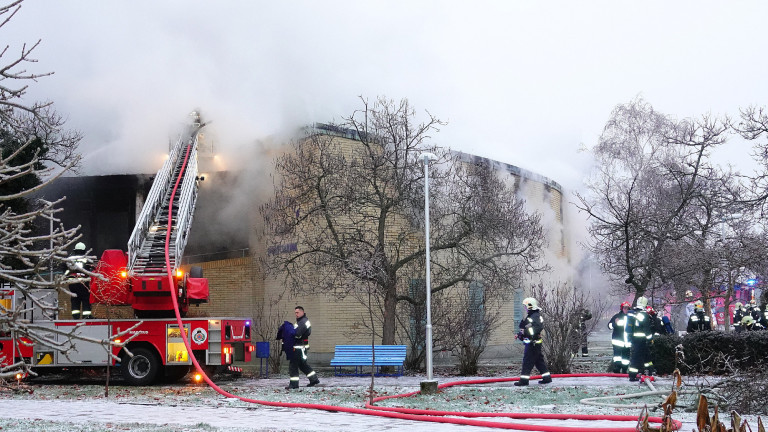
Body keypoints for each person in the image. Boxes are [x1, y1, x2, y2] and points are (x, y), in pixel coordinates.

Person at [514, 297, 552, 386]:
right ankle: (547, 378)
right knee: (539, 361)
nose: (525, 308)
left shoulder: (534, 316)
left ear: (530, 306)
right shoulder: (532, 315)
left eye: (525, 306)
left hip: (533, 343)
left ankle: (524, 381)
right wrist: (520, 334)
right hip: (533, 343)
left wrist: (525, 332)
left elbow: (536, 328)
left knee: (527, 361)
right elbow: (527, 328)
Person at [285, 306, 320, 390]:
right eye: (295, 313)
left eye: (297, 312)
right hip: (301, 347)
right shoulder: (301, 321)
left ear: (302, 312)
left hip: (298, 348)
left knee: (293, 366)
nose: (296, 314)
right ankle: (314, 379)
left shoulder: (303, 322)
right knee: (302, 365)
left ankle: (294, 384)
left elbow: (297, 334)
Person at [627, 296, 654, 381]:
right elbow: (647, 329)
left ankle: (649, 371)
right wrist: (650, 339)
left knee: (645, 356)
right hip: (641, 340)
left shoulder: (633, 313)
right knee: (637, 357)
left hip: (634, 339)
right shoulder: (643, 314)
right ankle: (632, 376)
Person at [65, 242, 92, 319]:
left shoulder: (70, 260)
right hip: (83, 283)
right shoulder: (86, 260)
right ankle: (86, 316)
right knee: (85, 299)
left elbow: (65, 272)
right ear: (84, 251)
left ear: (75, 250)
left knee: (75, 299)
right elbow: (90, 271)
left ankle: (75, 316)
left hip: (72, 284)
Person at [607, 301, 632, 373]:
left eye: (628, 308)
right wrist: (614, 323)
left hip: (627, 342)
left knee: (626, 358)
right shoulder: (617, 316)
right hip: (618, 341)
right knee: (617, 356)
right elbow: (609, 326)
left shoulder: (631, 318)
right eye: (625, 308)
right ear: (622, 308)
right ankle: (617, 368)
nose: (626, 310)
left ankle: (624, 369)